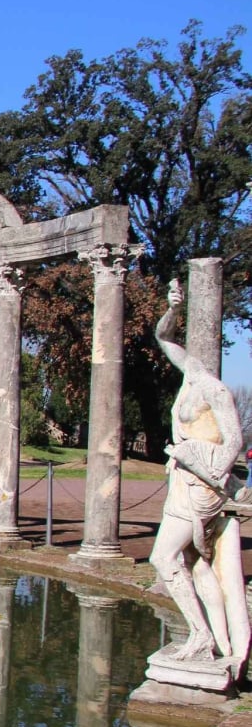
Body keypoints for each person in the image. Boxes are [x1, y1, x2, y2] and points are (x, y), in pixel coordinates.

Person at [149, 279, 247, 664]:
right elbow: (162, 336)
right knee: (192, 561)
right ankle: (211, 636)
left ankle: (202, 634)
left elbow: (234, 442)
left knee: (163, 557)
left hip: (200, 485)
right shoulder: (190, 371)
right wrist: (173, 308)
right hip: (183, 481)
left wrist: (207, 475)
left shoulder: (215, 389)